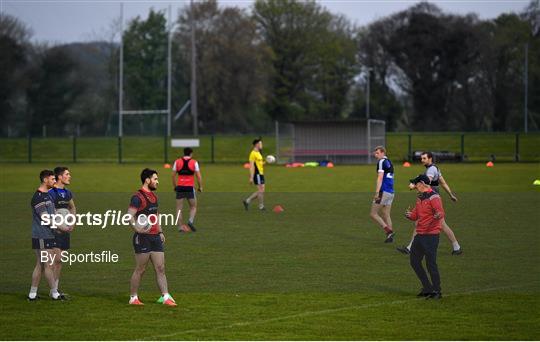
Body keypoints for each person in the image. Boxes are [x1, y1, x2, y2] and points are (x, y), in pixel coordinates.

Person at [397, 152, 462, 255]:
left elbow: (426, 184)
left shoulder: (431, 170)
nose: (422, 160)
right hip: (432, 200)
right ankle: (410, 247)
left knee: (437, 224)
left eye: (424, 158)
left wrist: (413, 186)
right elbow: (443, 183)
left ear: (430, 158)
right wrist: (451, 195)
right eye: (421, 158)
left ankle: (456, 247)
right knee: (426, 223)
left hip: (431, 201)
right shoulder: (435, 168)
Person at [128, 168, 176, 306]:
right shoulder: (137, 197)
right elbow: (129, 216)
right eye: (155, 179)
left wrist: (160, 232)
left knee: (160, 268)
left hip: (155, 237)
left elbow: (156, 216)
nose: (157, 182)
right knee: (141, 269)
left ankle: (165, 297)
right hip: (142, 238)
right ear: (147, 180)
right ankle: (133, 298)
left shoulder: (154, 197)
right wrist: (137, 229)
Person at [406, 174, 444, 299]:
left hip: (431, 236)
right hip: (420, 234)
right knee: (414, 261)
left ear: (422, 183)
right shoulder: (420, 197)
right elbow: (415, 215)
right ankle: (427, 287)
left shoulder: (434, 197)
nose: (415, 186)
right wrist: (409, 215)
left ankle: (437, 291)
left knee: (430, 263)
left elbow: (440, 212)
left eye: (416, 184)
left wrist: (437, 215)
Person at [28, 170, 62, 301]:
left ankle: (32, 294)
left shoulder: (48, 195)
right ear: (45, 180)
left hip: (49, 234)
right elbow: (45, 218)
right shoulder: (38, 197)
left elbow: (52, 214)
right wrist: (61, 227)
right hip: (41, 235)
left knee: (42, 265)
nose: (55, 181)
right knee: (47, 264)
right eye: (53, 179)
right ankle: (55, 294)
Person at [49, 166, 76, 299]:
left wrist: (72, 221)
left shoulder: (67, 193)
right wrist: (59, 225)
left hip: (65, 229)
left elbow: (72, 207)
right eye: (67, 174)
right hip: (54, 230)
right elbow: (50, 212)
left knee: (60, 261)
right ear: (60, 177)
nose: (69, 176)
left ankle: (55, 289)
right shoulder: (51, 193)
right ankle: (53, 290)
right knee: (56, 259)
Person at [172, 148, 202, 232]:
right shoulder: (194, 162)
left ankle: (180, 227)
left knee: (179, 208)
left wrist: (175, 187)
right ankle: (190, 221)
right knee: (193, 207)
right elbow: (198, 176)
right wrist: (200, 187)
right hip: (189, 187)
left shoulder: (177, 162)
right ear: (191, 154)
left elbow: (173, 176)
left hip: (180, 187)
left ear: (184, 153)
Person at [370, 146, 395, 243]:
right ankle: (390, 237)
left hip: (383, 191)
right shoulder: (389, 162)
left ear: (382, 152)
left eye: (377, 153)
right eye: (375, 153)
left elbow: (380, 178)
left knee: (373, 214)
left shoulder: (381, 162)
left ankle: (389, 231)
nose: (375, 155)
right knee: (386, 214)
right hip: (391, 192)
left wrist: (377, 192)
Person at [243, 138, 265, 211]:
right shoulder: (253, 154)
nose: (262, 145)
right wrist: (251, 177)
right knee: (260, 190)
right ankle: (261, 206)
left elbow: (259, 163)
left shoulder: (258, 153)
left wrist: (265, 162)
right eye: (260, 143)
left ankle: (247, 201)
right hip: (257, 174)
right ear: (256, 144)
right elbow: (252, 166)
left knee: (262, 190)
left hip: (261, 173)